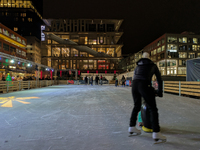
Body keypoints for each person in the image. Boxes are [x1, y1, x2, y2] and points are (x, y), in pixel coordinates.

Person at [128, 52, 166, 142]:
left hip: (134, 85)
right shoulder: (152, 65)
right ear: (150, 57)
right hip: (144, 84)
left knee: (136, 106)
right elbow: (159, 79)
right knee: (152, 108)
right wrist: (159, 92)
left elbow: (135, 76)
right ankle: (156, 132)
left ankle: (131, 126)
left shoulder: (137, 66)